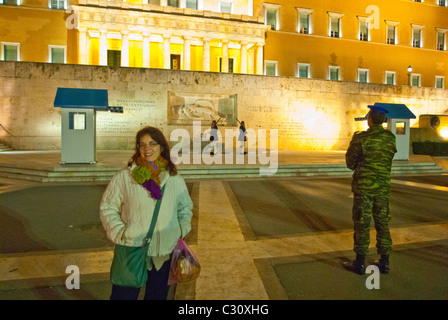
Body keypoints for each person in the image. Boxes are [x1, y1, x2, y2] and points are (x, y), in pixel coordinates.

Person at [100, 126, 193, 300]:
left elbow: (185, 209)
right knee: (123, 296)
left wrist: (180, 230)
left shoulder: (174, 179)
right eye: (141, 145)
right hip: (132, 248)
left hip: (163, 253)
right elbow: (108, 207)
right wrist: (120, 233)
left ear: (162, 147)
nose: (147, 149)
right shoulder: (125, 177)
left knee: (157, 297)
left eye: (152, 143)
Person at [344, 106, 397, 275]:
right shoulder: (390, 138)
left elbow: (350, 164)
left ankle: (359, 263)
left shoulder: (362, 139)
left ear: (370, 119)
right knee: (382, 223)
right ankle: (385, 262)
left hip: (364, 188)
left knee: (362, 223)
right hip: (382, 188)